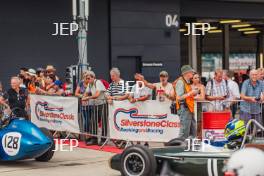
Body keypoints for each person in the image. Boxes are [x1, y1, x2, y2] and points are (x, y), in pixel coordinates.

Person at [82, 71, 107, 145]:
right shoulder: (90, 84)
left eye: (89, 78)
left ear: (93, 77)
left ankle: (103, 140)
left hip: (103, 104)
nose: (87, 80)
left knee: (103, 123)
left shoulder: (98, 82)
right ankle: (94, 139)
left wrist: (87, 98)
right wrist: (83, 98)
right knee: (93, 122)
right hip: (95, 105)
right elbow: (86, 93)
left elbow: (97, 95)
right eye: (86, 78)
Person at [175, 65, 197, 138]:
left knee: (193, 132)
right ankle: (180, 148)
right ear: (186, 73)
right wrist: (191, 93)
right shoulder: (180, 82)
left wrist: (193, 93)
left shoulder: (186, 82)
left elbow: (187, 95)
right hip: (184, 109)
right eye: (191, 72)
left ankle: (190, 147)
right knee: (184, 132)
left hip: (189, 109)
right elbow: (179, 97)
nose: (192, 74)